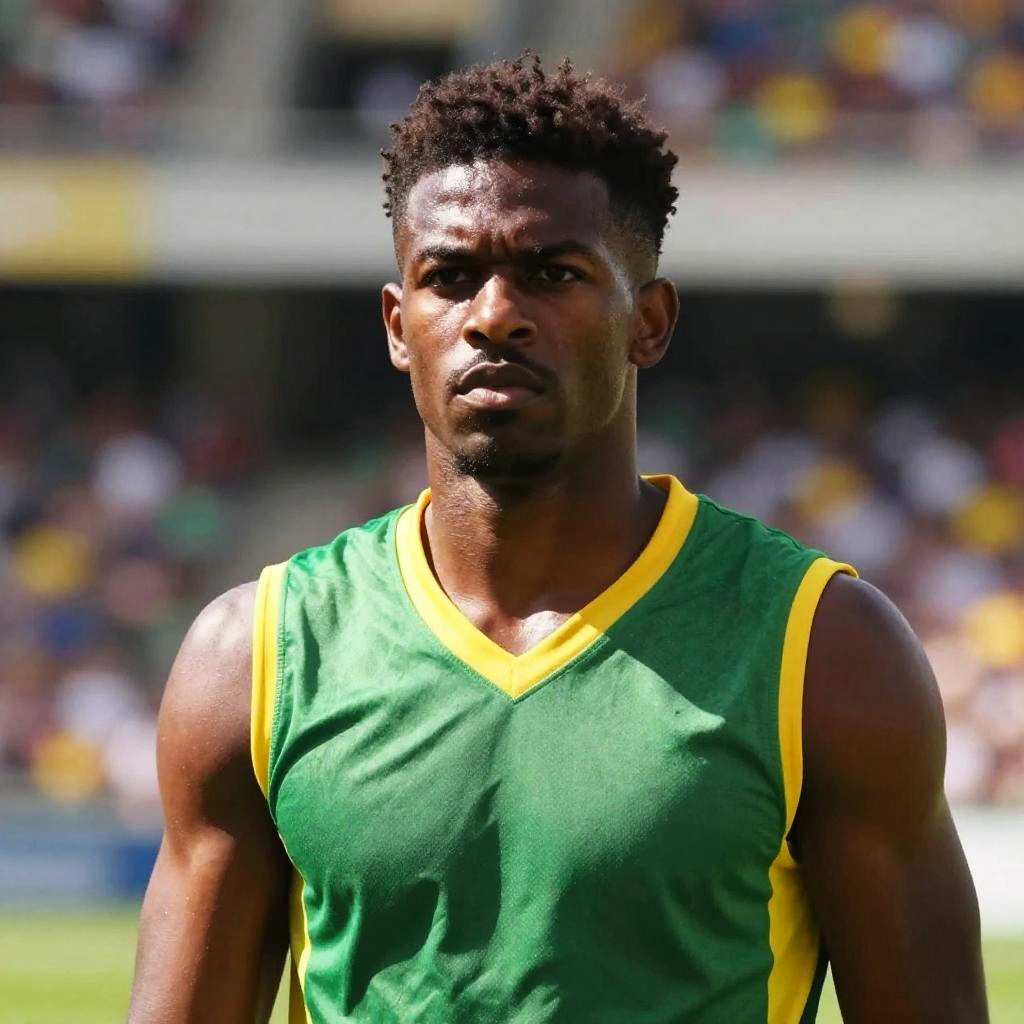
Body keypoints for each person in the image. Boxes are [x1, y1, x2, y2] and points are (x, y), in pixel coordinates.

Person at [127, 54, 988, 1023]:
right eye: (450, 277)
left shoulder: (825, 650)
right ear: (398, 325)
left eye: (553, 273)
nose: (495, 315)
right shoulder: (254, 658)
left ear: (648, 321)